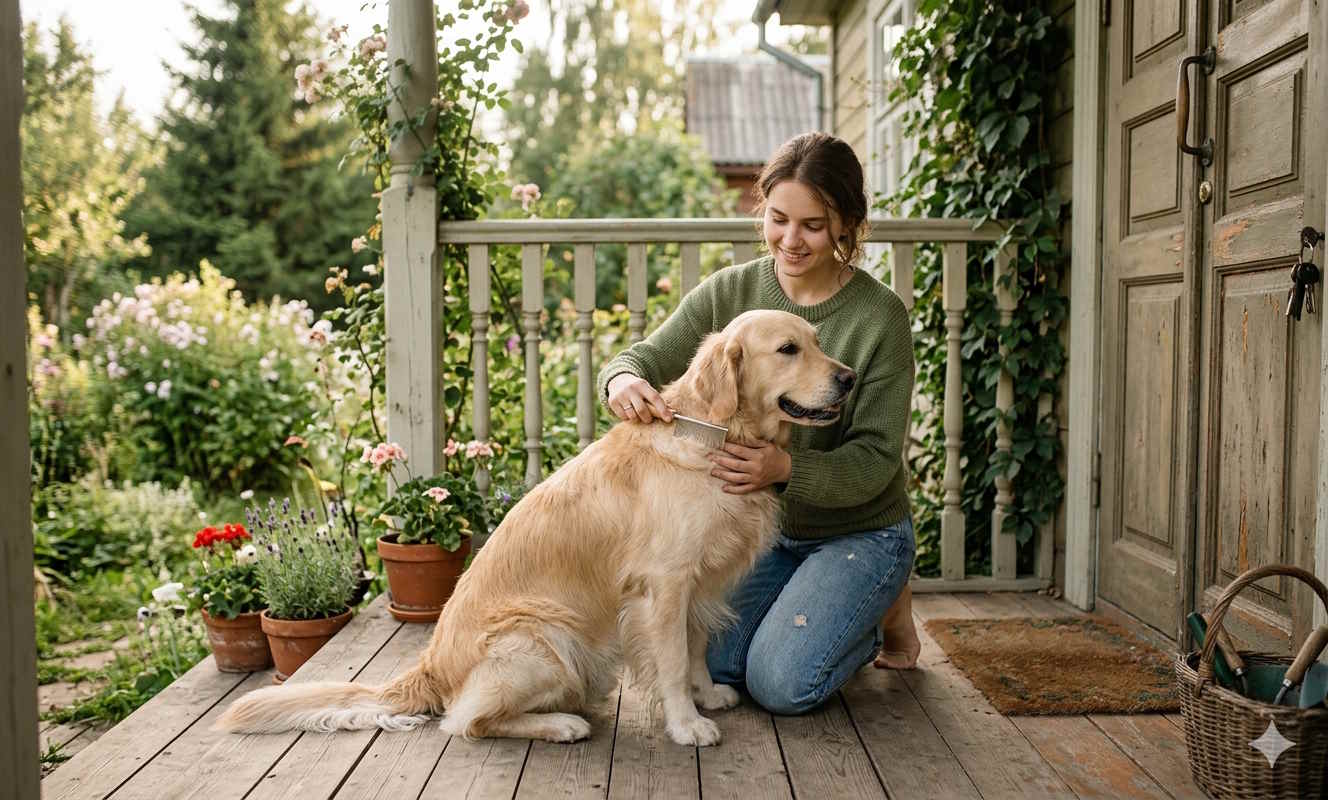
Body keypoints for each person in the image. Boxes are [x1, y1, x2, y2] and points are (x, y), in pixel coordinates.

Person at [596, 132, 921, 715]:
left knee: (782, 684)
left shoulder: (880, 318)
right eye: (778, 219)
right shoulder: (731, 292)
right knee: (717, 664)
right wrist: (621, 380)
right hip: (766, 531)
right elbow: (645, 357)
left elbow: (876, 462)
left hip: (857, 530)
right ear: (763, 211)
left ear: (845, 224)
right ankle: (819, 609)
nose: (791, 241)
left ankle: (881, 607)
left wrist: (785, 467)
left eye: (813, 225)